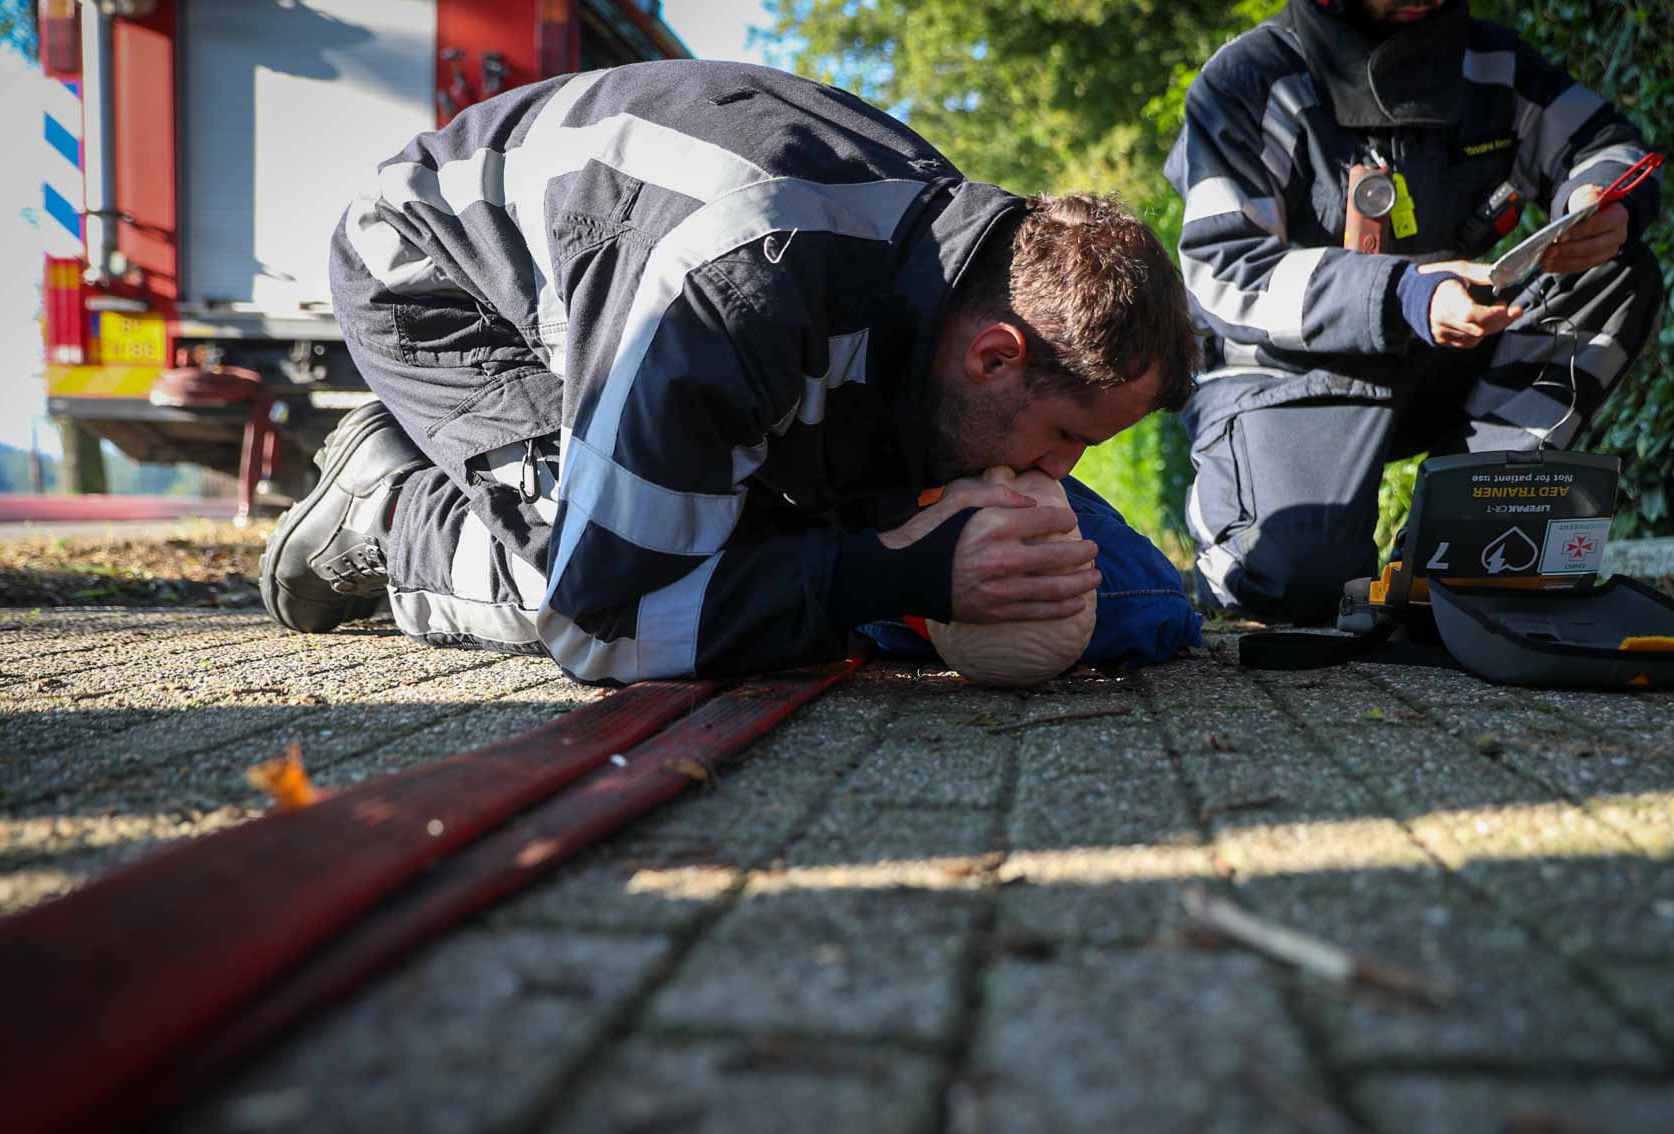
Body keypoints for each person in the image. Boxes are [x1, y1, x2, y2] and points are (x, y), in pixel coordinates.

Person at [260, 62, 1199, 682]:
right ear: (996, 355)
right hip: (447, 287)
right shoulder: (733, 291)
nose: (1061, 471)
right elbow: (605, 627)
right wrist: (891, 577)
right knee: (599, 584)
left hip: (710, 319)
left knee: (1133, 597)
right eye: (1066, 437)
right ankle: (389, 511)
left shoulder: (958, 276)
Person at [1165, 0, 1664, 621]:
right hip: (1284, 376)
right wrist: (1403, 293)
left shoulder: (1494, 63)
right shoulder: (1248, 80)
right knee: (1300, 588)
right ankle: (1232, 542)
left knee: (1618, 271)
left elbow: (1608, 145)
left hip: (1439, 350)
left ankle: (1459, 537)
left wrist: (1602, 200)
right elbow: (1224, 267)